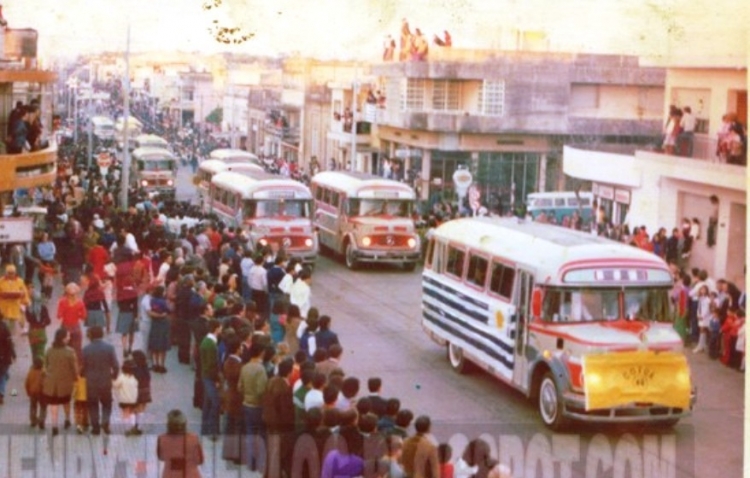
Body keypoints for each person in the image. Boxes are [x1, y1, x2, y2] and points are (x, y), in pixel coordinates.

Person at [82, 325, 119, 436]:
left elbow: (82, 367)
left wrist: (84, 376)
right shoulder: (109, 348)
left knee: (93, 404)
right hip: (105, 381)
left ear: (91, 336)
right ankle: (105, 423)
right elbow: (116, 365)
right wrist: (113, 376)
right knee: (107, 403)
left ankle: (95, 427)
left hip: (91, 382)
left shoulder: (86, 349)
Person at [41, 328, 78, 435]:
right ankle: (67, 419)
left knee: (53, 404)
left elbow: (45, 365)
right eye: (68, 336)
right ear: (63, 339)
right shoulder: (70, 352)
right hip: (65, 383)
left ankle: (54, 425)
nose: (69, 338)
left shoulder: (49, 350)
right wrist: (76, 378)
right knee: (66, 402)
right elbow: (74, 369)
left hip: (51, 383)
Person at [238, 342, 268, 472]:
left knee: (250, 433)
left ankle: (250, 462)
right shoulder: (261, 369)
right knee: (260, 434)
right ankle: (260, 461)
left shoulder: (245, 367)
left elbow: (240, 387)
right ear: (261, 352)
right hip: (257, 405)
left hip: (246, 404)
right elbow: (262, 390)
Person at [157, 409, 204, 478]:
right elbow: (199, 460)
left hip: (170, 475)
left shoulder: (162, 438)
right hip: (191, 475)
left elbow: (161, 457)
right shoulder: (194, 438)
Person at [199, 318, 222, 439]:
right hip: (210, 377)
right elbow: (212, 364)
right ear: (217, 328)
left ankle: (205, 428)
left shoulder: (207, 341)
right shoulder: (211, 344)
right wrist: (217, 379)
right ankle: (213, 430)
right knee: (215, 403)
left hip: (206, 375)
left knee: (207, 403)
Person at [113, 359, 140, 436]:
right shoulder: (135, 378)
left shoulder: (122, 377)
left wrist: (111, 381)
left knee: (126, 414)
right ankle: (133, 426)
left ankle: (128, 429)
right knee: (132, 412)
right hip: (133, 399)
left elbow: (116, 385)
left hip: (124, 399)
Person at [0, 264, 30, 335]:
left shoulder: (20, 281)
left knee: (16, 318)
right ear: (6, 273)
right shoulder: (1, 281)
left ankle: (13, 332)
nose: (11, 275)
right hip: (4, 304)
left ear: (15, 273)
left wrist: (26, 301)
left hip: (16, 304)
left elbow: (24, 291)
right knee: (5, 319)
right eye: (9, 273)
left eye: (12, 273)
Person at [132, 350, 152, 435]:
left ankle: (136, 426)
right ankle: (139, 425)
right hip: (145, 390)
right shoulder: (145, 368)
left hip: (138, 391)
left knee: (136, 409)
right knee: (142, 408)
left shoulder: (135, 369)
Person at [0, 317, 16, 405]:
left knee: (4, 374)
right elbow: (9, 342)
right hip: (4, 356)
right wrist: (13, 354)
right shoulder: (4, 327)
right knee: (3, 374)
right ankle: (1, 393)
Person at [25, 356, 44, 427]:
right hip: (42, 393)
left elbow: (26, 383)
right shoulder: (43, 372)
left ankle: (33, 420)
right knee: (43, 407)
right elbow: (46, 383)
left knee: (33, 406)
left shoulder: (31, 372)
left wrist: (28, 392)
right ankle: (41, 420)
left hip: (32, 392)